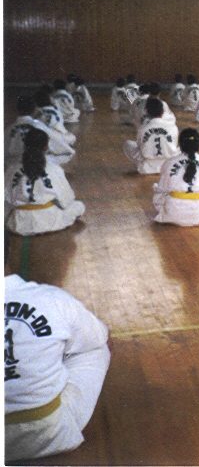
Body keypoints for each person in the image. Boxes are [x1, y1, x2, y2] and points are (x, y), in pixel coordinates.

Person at [4, 274, 110, 461]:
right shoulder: (51, 298)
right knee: (96, 348)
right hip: (46, 435)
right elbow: (98, 335)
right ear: (8, 250)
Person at [5, 127, 85, 235]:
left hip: (19, 223)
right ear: (46, 146)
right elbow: (67, 199)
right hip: (50, 220)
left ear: (24, 145)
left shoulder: (12, 169)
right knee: (79, 206)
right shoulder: (54, 169)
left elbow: (5, 198)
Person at [153, 128, 199, 227]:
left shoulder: (169, 163)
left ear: (180, 145)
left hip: (174, 213)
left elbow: (162, 188)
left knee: (158, 192)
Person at [6, 96, 75, 166]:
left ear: (17, 110)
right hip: (35, 162)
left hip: (11, 164)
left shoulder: (8, 129)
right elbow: (58, 142)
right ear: (35, 109)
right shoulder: (38, 126)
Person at [123, 98, 180, 174]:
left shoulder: (143, 128)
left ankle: (145, 165)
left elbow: (140, 147)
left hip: (147, 167)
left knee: (127, 144)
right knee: (181, 148)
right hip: (168, 165)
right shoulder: (173, 127)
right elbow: (174, 145)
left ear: (147, 112)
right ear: (163, 111)